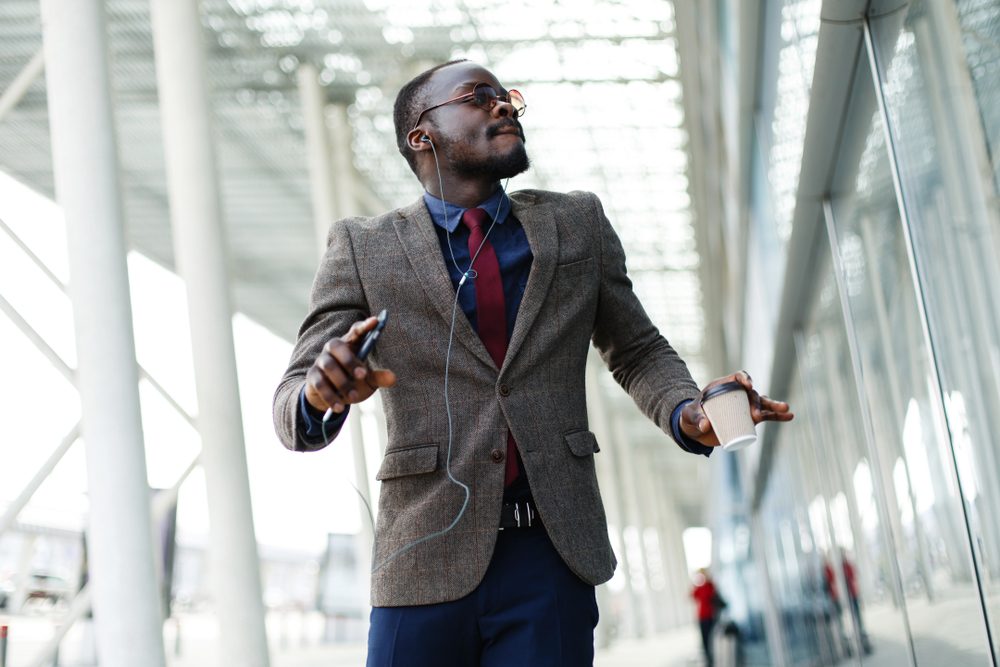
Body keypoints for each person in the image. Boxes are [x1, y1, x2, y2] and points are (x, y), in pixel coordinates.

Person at [272, 59, 794, 666]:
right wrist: (319, 395)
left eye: (508, 96)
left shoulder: (576, 224)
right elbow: (290, 400)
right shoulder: (364, 247)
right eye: (479, 96)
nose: (504, 106)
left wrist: (686, 411)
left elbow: (638, 349)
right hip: (421, 558)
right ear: (423, 135)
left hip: (550, 555)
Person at [691, 568, 724, 666]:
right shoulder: (700, 587)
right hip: (702, 617)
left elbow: (714, 592)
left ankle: (713, 656)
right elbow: (692, 595)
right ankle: (708, 659)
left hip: (711, 616)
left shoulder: (710, 586)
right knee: (704, 639)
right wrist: (696, 580)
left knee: (712, 637)